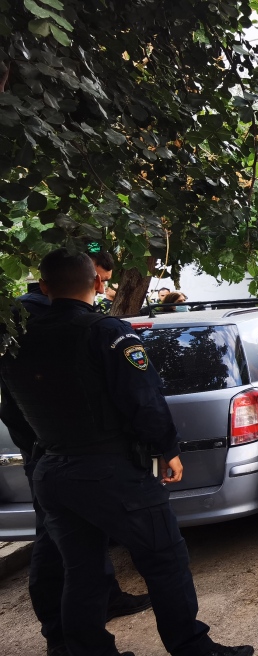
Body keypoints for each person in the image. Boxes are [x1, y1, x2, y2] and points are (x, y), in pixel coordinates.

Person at [0, 248, 252, 656]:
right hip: (112, 472)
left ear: (44, 287)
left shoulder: (17, 341)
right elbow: (143, 398)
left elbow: (11, 410)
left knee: (80, 571)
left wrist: (44, 454)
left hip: (52, 471)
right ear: (99, 284)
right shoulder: (105, 332)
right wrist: (168, 449)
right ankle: (192, 648)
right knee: (164, 560)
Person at [11, 251, 151, 656]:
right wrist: (42, 443)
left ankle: (104, 602)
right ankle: (59, 636)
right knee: (56, 548)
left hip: (58, 453)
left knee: (86, 548)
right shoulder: (31, 324)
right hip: (52, 452)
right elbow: (16, 401)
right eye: (99, 281)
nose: (102, 290)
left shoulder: (65, 320)